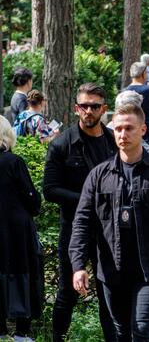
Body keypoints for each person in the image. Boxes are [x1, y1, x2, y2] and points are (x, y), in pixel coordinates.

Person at [69, 104, 149, 342]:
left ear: (143, 129)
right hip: (112, 271)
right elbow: (82, 222)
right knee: (121, 333)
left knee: (142, 331)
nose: (123, 135)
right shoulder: (99, 175)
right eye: (118, 129)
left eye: (129, 129)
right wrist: (78, 265)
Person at [43, 83, 117, 341]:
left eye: (94, 106)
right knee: (67, 291)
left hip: (109, 231)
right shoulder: (63, 144)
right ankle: (58, 338)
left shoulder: (113, 141)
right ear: (76, 108)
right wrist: (87, 201)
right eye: (84, 106)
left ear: (104, 109)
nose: (88, 111)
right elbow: (50, 190)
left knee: (109, 290)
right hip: (74, 229)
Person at [0, 115, 43, 341]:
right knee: (21, 273)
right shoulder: (13, 162)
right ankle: (21, 332)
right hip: (16, 230)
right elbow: (32, 200)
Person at [125, 61, 149, 143]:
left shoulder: (125, 91)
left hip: (132, 131)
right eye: (146, 73)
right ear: (143, 73)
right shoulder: (148, 90)